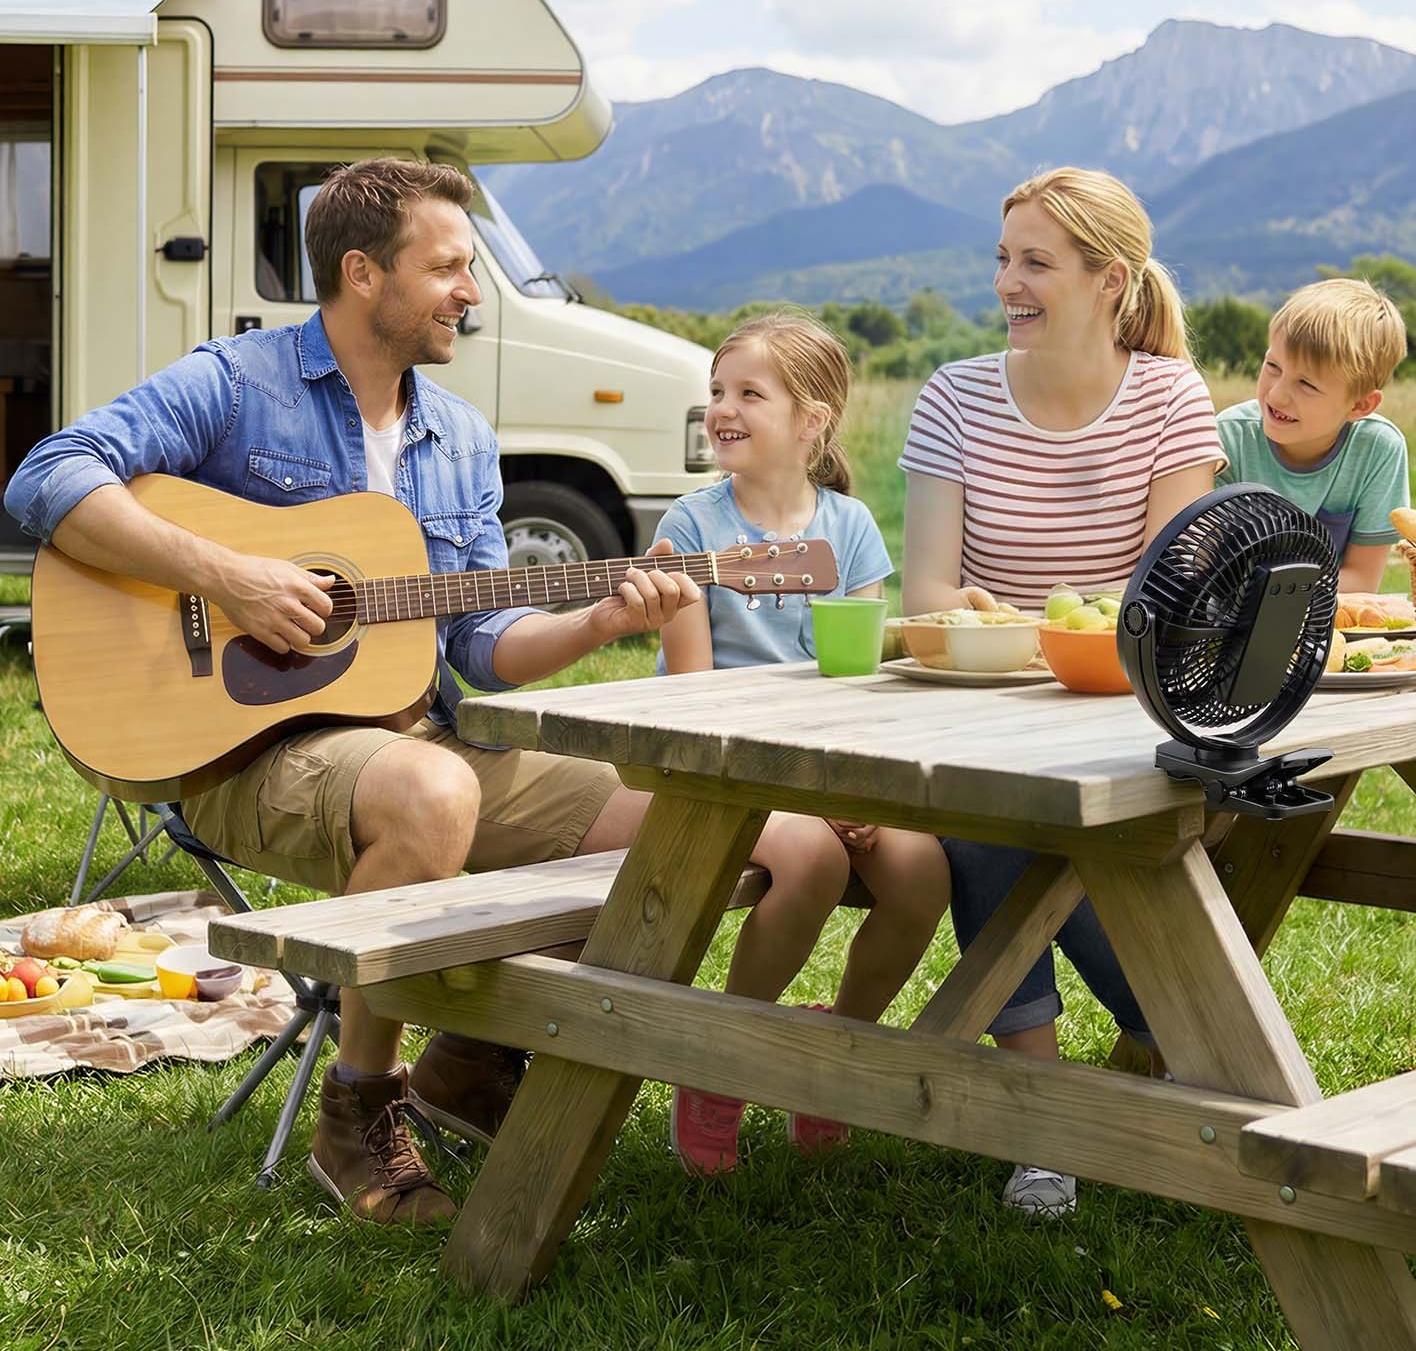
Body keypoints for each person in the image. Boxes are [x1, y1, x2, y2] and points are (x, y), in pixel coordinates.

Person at [3, 159, 701, 1225]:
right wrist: (227, 573)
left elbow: (479, 642)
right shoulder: (238, 383)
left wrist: (596, 621)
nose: (471, 290)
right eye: (450, 267)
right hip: (248, 756)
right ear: (364, 273)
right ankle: (357, 1111)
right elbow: (49, 473)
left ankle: (472, 1059)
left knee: (662, 818)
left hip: (415, 733)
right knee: (430, 792)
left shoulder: (458, 434)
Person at [899, 166, 1225, 1217]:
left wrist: (1018, 620)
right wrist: (1048, 625)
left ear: (1108, 279)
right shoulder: (955, 395)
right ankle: (1061, 1110)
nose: (1008, 283)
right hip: (979, 714)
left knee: (1070, 832)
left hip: (1127, 718)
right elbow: (927, 594)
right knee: (993, 818)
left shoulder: (1170, 397)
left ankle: (1163, 1057)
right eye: (1002, 258)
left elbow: (1161, 597)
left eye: (1035, 261)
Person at [653, 311, 950, 1177]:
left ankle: (835, 1053)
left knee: (922, 868)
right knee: (814, 859)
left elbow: (860, 683)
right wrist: (814, 799)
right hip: (719, 769)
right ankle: (725, 1056)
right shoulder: (693, 524)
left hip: (831, 765)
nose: (724, 408)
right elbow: (694, 698)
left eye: (750, 393)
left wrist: (853, 789)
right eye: (717, 392)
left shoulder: (849, 526)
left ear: (811, 421)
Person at [1216, 278, 1410, 594]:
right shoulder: (1230, 438)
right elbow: (1207, 569)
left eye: (1306, 384)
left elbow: (1361, 581)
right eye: (1273, 366)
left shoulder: (1378, 449)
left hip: (1324, 626)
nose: (1276, 396)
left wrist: (1273, 594)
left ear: (1360, 405)